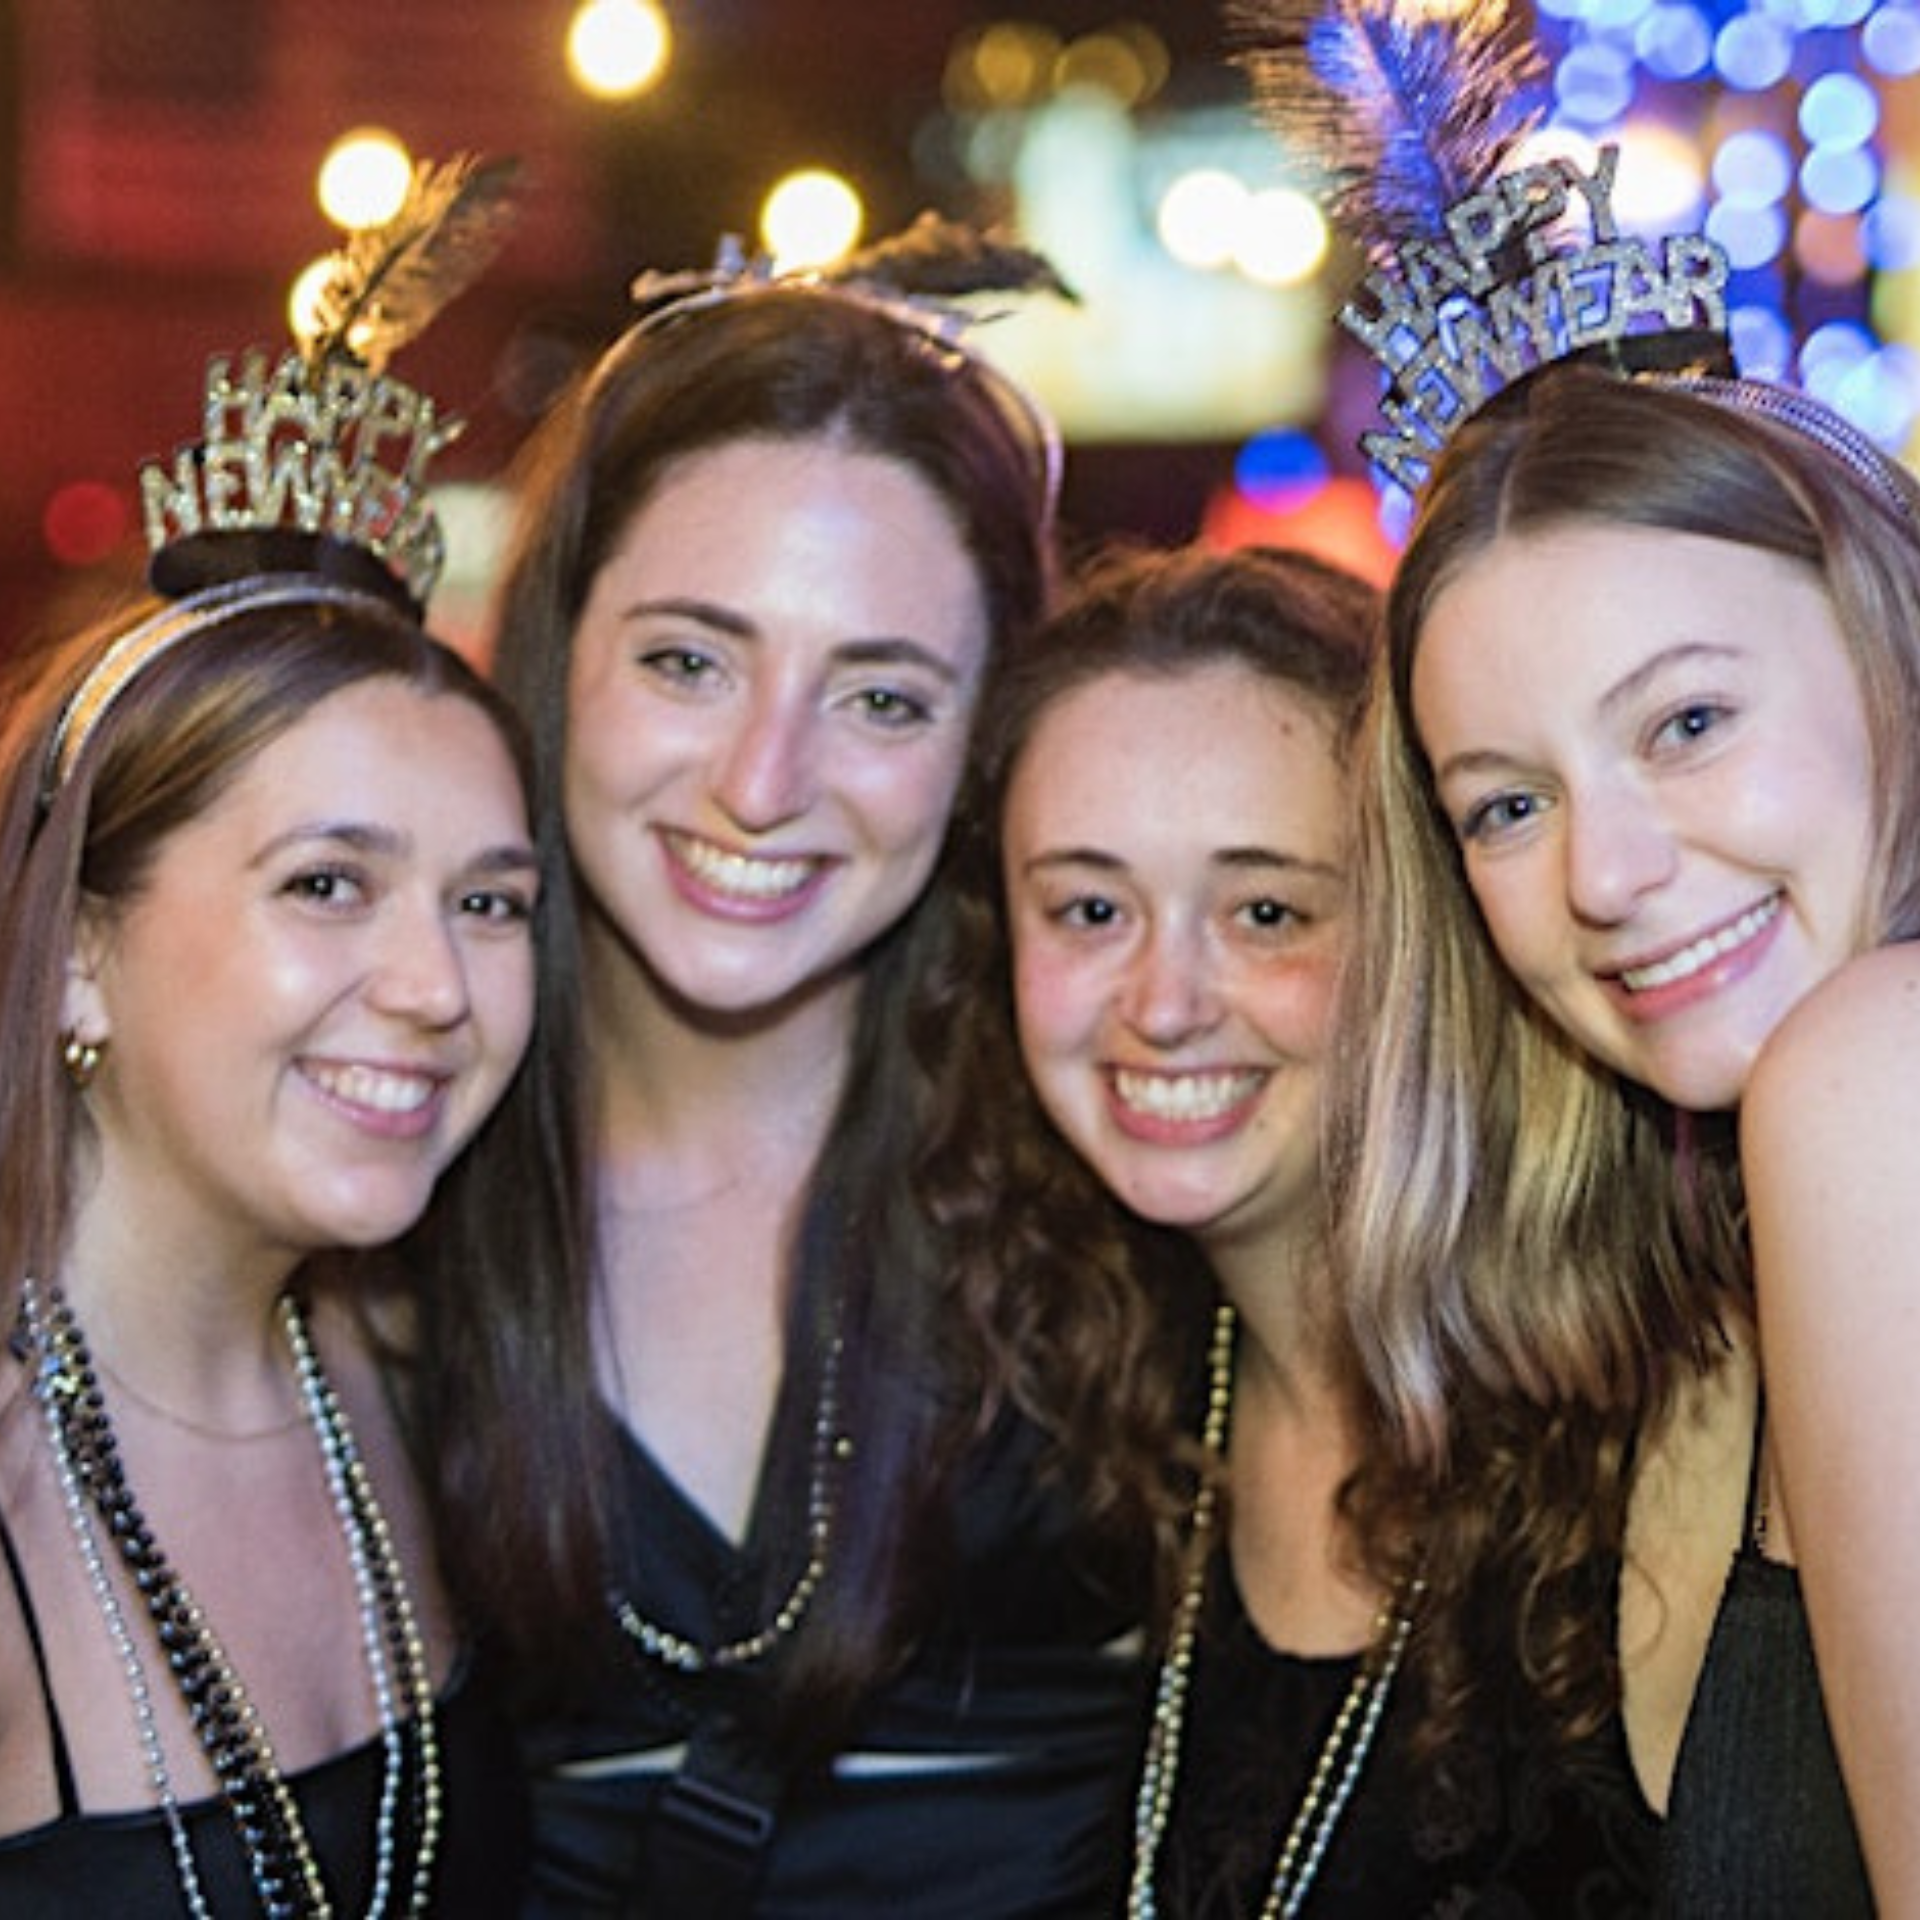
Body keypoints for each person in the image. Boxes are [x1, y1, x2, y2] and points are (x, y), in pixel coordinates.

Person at [453, 223, 1149, 1916]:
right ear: (559, 659)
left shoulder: (1134, 1159)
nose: (764, 782)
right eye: (689, 660)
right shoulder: (383, 1174)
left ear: (987, 746)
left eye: (883, 700)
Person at [938, 539, 1657, 1916]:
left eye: (1266, 911)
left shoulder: (1647, 1415)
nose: (1163, 1002)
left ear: (1419, 927)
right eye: (1090, 909)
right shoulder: (1087, 1417)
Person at [1338, 355, 1918, 1912]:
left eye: (1687, 721)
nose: (1605, 874)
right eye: (1506, 806)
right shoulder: (1652, 1331)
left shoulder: (1878, 1076)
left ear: (1896, 667)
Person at [0, 575, 542, 1914]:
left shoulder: (410, 1375)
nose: (437, 989)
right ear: (74, 945)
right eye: (327, 883)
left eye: (490, 905)